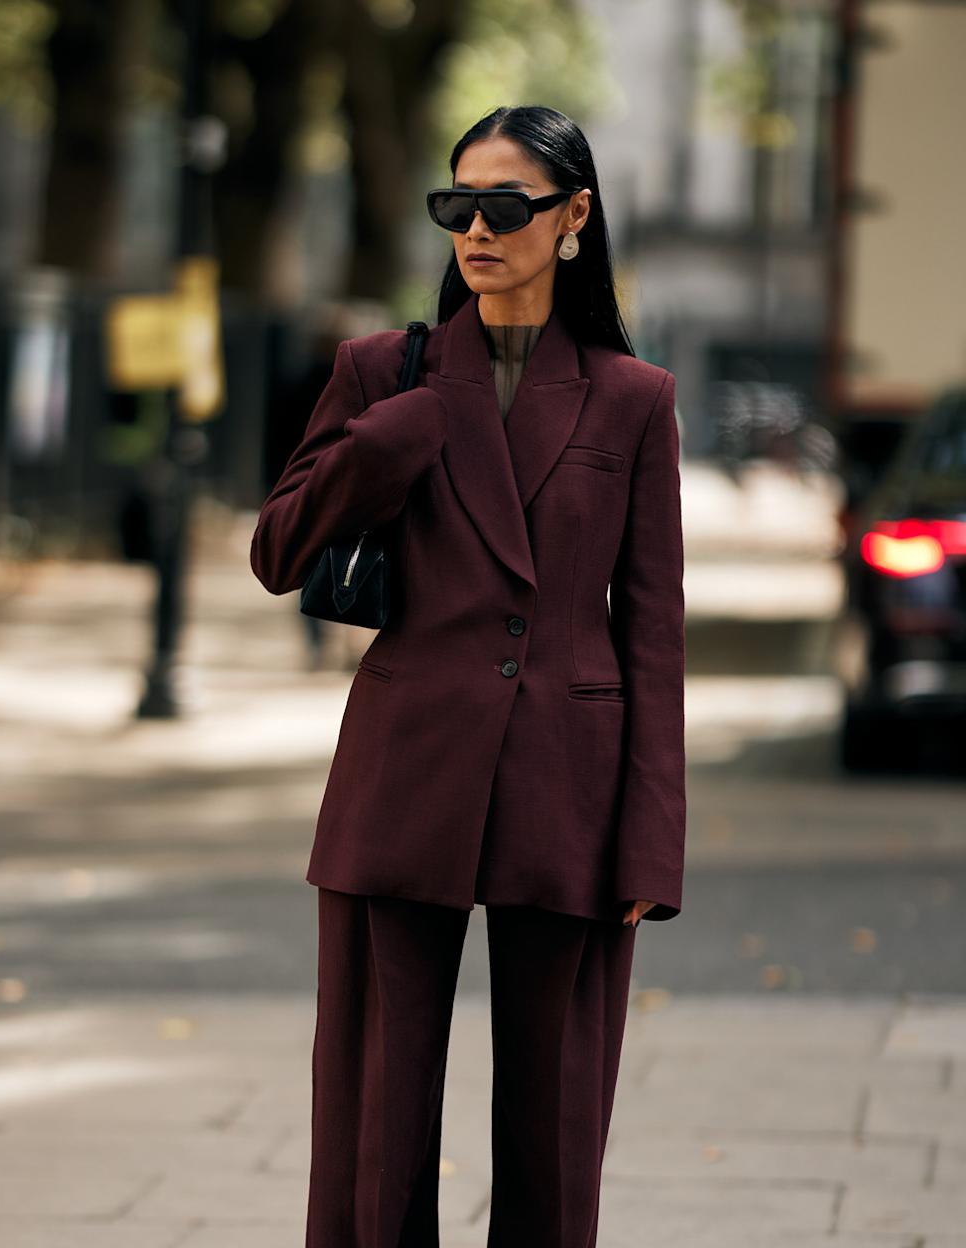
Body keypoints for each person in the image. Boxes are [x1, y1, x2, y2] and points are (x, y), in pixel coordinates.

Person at [250, 104, 685, 1248]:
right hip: (407, 772)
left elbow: (652, 632)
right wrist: (388, 439)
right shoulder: (380, 372)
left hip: (570, 785)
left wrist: (651, 840)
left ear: (574, 217)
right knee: (375, 1129)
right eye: (458, 208)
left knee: (553, 1132)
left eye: (507, 206)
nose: (478, 231)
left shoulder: (636, 400)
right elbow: (277, 552)